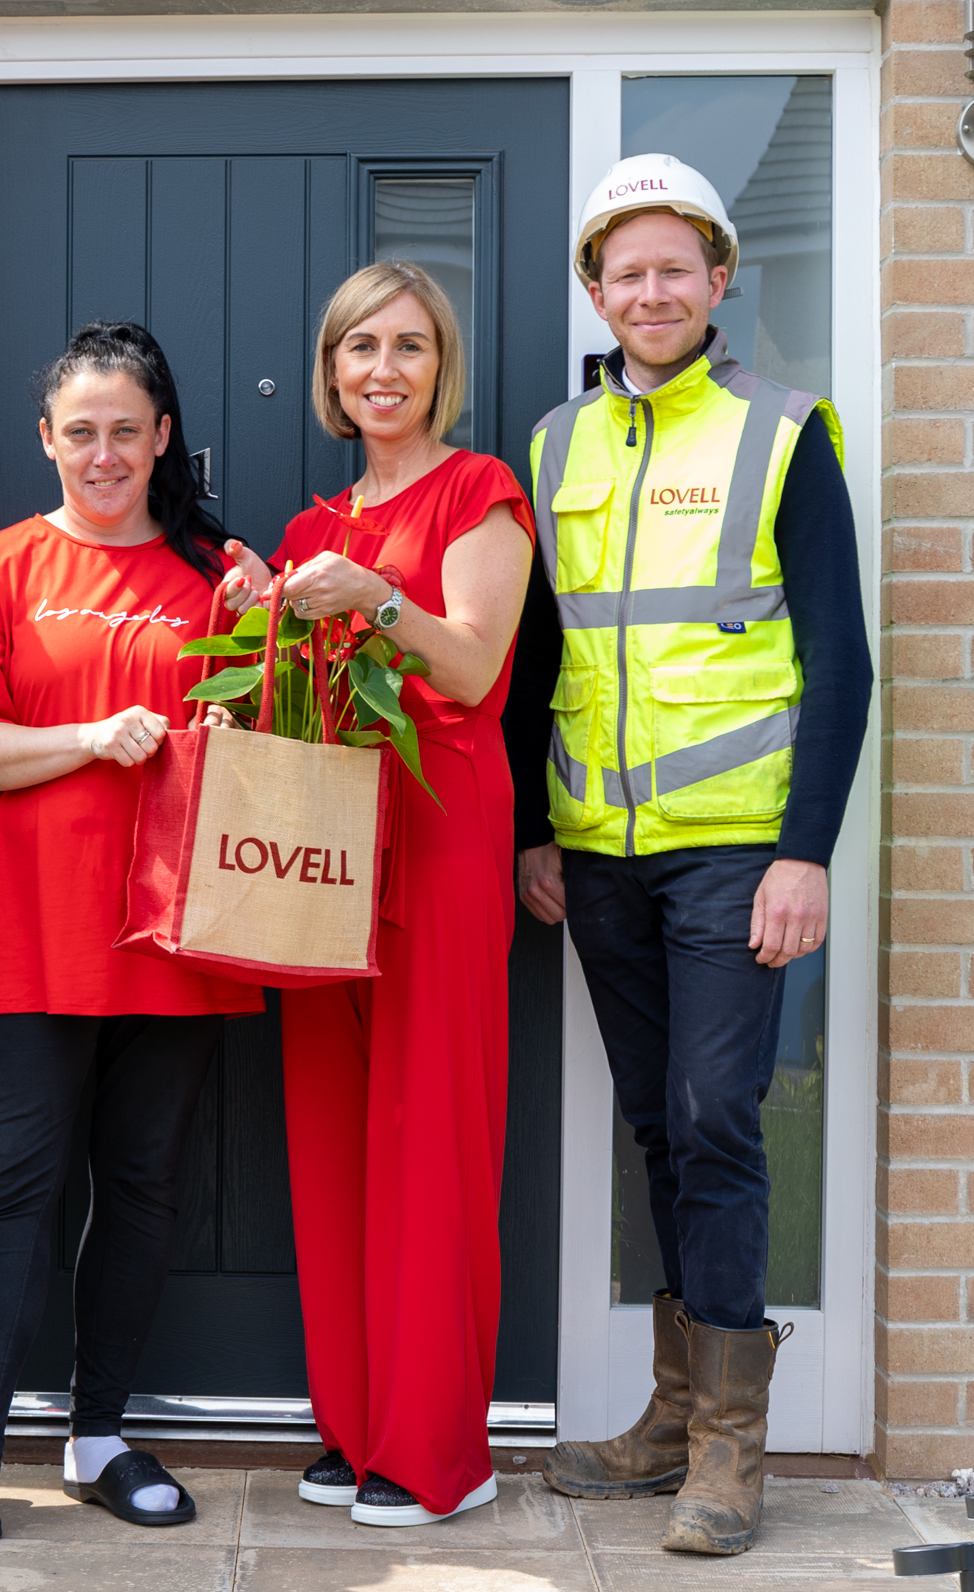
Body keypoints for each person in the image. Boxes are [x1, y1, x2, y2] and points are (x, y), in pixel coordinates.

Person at [508, 155, 871, 1555]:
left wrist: (806, 852)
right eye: (626, 271)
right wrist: (538, 825)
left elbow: (840, 660)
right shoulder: (556, 444)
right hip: (600, 849)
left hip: (736, 850)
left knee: (720, 1112)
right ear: (595, 291)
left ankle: (731, 1442)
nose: (651, 292)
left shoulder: (784, 433)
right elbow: (545, 650)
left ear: (720, 282)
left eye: (677, 268)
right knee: (663, 1118)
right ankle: (673, 1410)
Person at [0, 322, 257, 1563]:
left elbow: (269, 733)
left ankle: (98, 1435)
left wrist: (271, 625)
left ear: (161, 436)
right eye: (78, 430)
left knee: (142, 1189)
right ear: (46, 438)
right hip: (31, 934)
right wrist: (93, 738)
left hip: (180, 932)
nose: (102, 452)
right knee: (14, 1193)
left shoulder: (219, 572)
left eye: (125, 429)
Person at [220, 263, 534, 1530]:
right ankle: (351, 1428)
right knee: (331, 1133)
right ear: (332, 372)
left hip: (444, 834)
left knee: (432, 1132)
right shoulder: (310, 528)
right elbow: (286, 701)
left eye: (408, 346)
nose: (382, 369)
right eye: (360, 347)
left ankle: (438, 1448)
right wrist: (253, 620)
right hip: (323, 847)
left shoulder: (480, 493)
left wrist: (379, 599)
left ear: (438, 366)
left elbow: (468, 660)